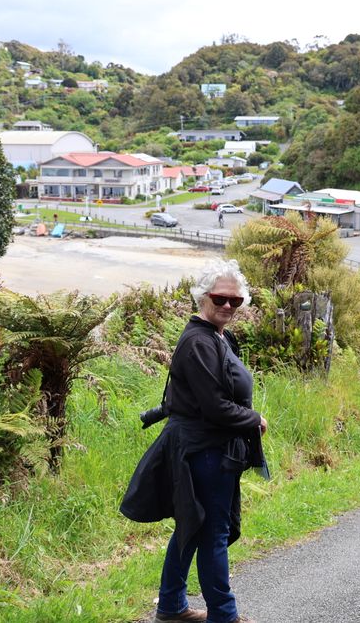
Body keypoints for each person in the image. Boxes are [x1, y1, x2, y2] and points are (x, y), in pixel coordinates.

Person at [121, 259, 268, 623]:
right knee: (212, 532)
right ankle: (224, 614)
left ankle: (171, 607)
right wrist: (255, 420)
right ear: (203, 296)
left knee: (192, 524)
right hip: (204, 451)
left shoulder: (218, 336)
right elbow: (215, 407)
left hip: (210, 448)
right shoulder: (198, 342)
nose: (228, 306)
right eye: (221, 298)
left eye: (236, 301)